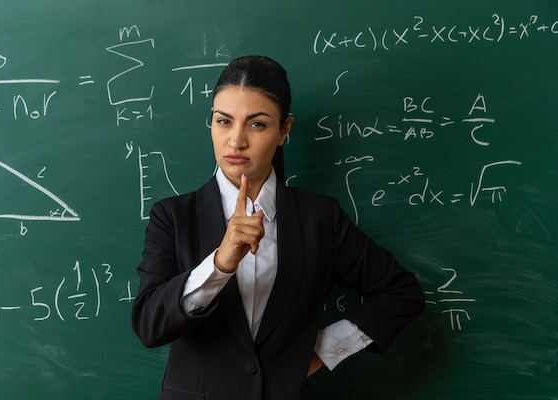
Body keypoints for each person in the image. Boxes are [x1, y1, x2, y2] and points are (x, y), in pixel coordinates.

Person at [131, 55, 425, 400]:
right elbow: (150, 326)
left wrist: (323, 350)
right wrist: (220, 263)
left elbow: (401, 292)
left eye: (256, 124)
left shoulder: (319, 218)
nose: (236, 141)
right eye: (224, 121)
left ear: (284, 130)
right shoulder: (173, 216)